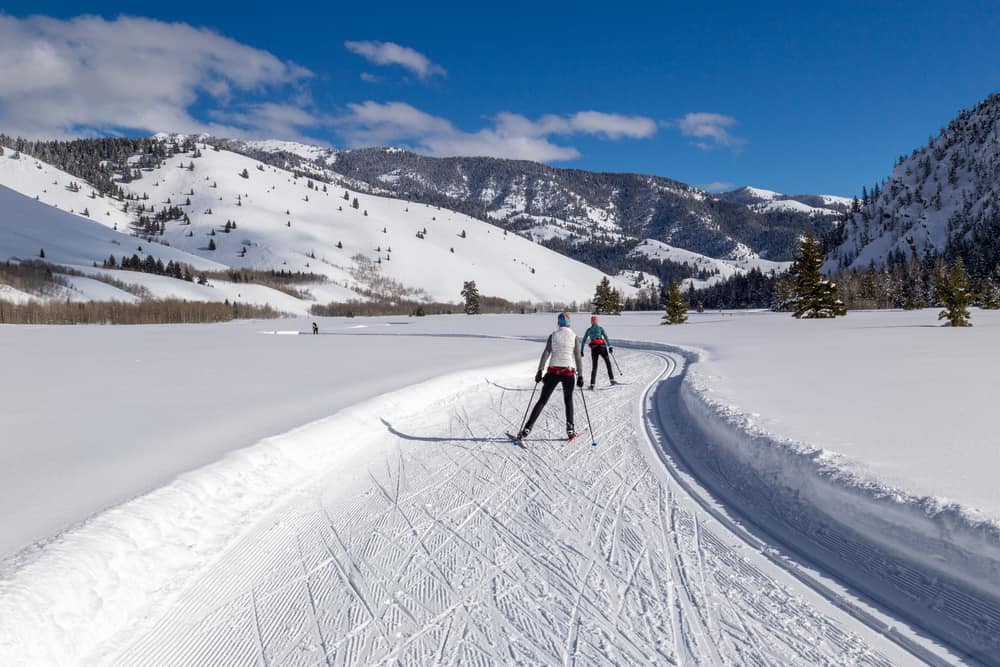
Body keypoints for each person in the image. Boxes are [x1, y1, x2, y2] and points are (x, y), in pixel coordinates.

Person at [517, 312, 584, 441]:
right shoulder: (574, 337)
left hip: (553, 371)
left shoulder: (553, 336)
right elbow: (577, 357)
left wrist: (540, 370)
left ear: (558, 323)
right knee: (568, 401)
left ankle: (527, 428)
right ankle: (570, 429)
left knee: (542, 401)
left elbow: (546, 353)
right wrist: (580, 375)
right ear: (569, 323)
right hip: (568, 372)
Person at [581, 315, 617, 389]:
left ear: (591, 322)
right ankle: (612, 380)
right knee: (608, 363)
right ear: (597, 321)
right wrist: (610, 346)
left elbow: (583, 340)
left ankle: (592, 384)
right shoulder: (600, 328)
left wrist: (581, 350)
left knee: (594, 366)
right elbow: (606, 337)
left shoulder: (589, 330)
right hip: (602, 347)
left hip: (594, 349)